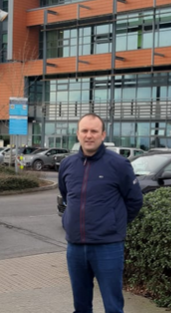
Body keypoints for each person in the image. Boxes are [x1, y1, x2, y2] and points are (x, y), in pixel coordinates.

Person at [58, 113, 143, 313]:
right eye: (85, 131)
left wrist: (113, 223)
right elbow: (66, 196)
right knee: (81, 306)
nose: (89, 135)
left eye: (94, 131)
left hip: (108, 247)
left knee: (113, 306)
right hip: (75, 246)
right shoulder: (67, 165)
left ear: (103, 135)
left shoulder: (119, 164)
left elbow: (135, 200)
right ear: (78, 134)